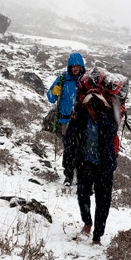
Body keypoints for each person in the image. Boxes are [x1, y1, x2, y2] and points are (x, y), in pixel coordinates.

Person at [64, 80, 119, 245]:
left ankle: (97, 236)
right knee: (82, 194)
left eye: (91, 106)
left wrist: (99, 117)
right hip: (85, 162)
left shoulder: (108, 117)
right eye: (87, 106)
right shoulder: (80, 116)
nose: (89, 109)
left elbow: (110, 133)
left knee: (103, 201)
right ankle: (87, 223)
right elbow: (69, 138)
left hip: (105, 166)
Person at [46, 52, 85, 185]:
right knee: (69, 148)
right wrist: (54, 91)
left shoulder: (85, 81)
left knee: (80, 148)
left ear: (81, 67)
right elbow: (51, 98)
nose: (75, 68)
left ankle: (78, 175)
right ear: (69, 66)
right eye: (73, 66)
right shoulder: (63, 79)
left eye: (78, 66)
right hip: (65, 121)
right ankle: (68, 176)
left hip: (81, 121)